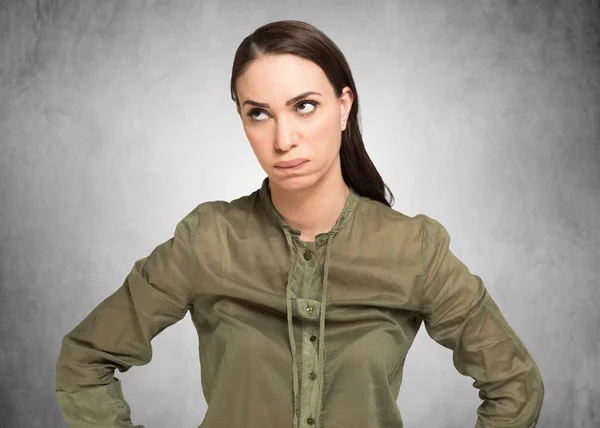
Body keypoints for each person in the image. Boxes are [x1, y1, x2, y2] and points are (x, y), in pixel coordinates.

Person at [55, 19, 545, 428]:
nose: (283, 138)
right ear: (242, 121)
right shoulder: (208, 239)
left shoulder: (413, 248)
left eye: (304, 106)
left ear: (344, 107)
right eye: (259, 114)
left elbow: (514, 385)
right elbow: (85, 362)